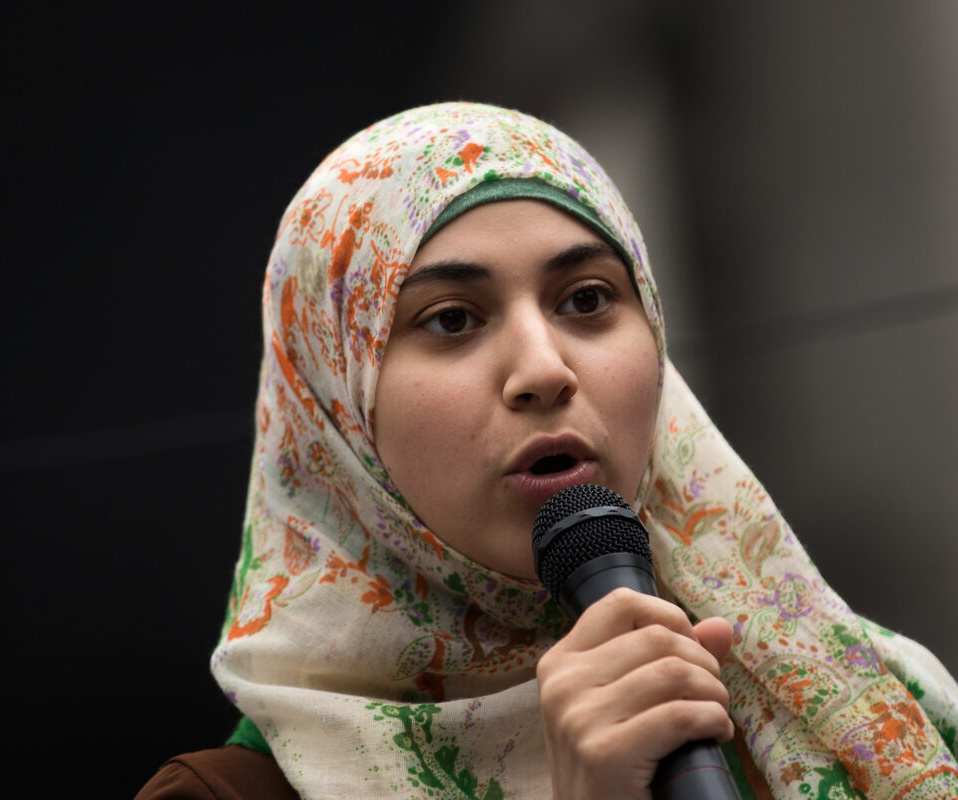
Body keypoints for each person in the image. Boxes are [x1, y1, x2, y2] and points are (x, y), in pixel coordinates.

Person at [136, 103, 958, 799]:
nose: (542, 370)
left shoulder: (871, 710)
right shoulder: (226, 796)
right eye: (451, 319)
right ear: (337, 406)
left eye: (587, 299)